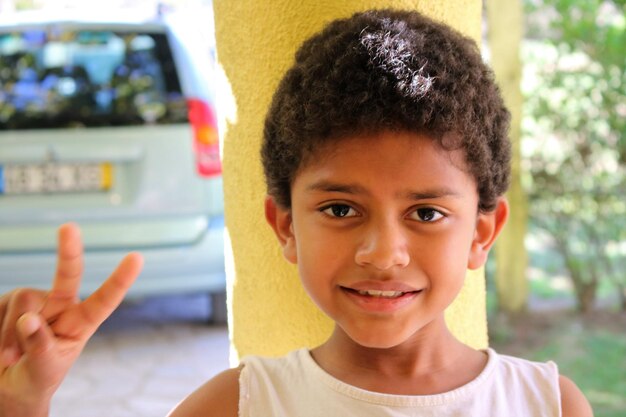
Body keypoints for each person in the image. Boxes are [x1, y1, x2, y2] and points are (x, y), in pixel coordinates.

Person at [0, 9, 593, 417]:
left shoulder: (546, 404)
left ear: (481, 232)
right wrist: (22, 404)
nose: (383, 253)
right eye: (340, 208)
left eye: (427, 213)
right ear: (285, 225)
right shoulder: (238, 406)